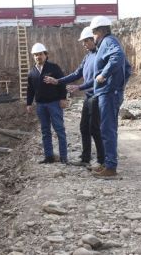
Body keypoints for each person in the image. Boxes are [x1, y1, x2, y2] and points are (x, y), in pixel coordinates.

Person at [44, 27, 104, 170]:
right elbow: (77, 73)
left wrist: (80, 87)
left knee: (95, 128)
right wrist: (58, 81)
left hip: (97, 96)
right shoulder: (88, 56)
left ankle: (102, 160)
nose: (83, 44)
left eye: (85, 41)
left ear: (93, 40)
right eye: (83, 42)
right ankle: (86, 158)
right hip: (89, 96)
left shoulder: (100, 55)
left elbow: (97, 79)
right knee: (84, 127)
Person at [88, 16, 132, 179]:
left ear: (99, 31)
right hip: (110, 92)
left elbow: (118, 57)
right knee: (107, 129)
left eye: (93, 33)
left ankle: (111, 167)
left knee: (107, 129)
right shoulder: (111, 42)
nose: (93, 37)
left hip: (108, 93)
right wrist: (119, 85)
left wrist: (104, 76)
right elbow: (127, 68)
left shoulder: (107, 42)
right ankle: (108, 164)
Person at [26, 43, 68, 164]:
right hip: (40, 105)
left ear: (46, 55)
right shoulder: (32, 72)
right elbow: (30, 89)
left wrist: (63, 98)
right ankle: (49, 157)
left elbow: (62, 83)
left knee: (59, 130)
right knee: (45, 131)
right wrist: (29, 103)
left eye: (40, 54)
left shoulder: (54, 68)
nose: (38, 57)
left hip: (54, 103)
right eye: (35, 55)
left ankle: (63, 157)